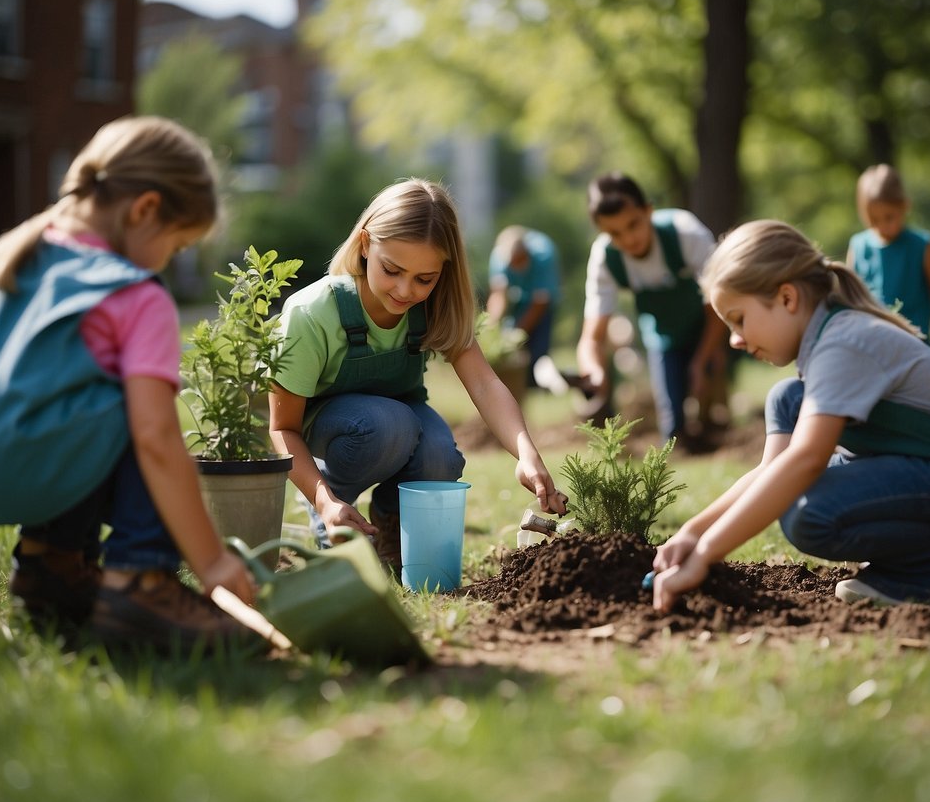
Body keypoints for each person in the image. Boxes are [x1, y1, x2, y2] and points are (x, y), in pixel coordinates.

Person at [0, 116, 261, 654]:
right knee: (138, 407)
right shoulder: (136, 295)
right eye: (176, 246)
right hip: (33, 469)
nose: (169, 260)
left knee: (73, 389)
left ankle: (52, 564)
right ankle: (142, 581)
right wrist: (210, 560)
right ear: (145, 210)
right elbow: (156, 439)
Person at [651, 220, 930, 611]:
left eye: (739, 319)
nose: (734, 340)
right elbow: (771, 471)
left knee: (805, 510)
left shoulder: (842, 343)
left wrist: (706, 556)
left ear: (787, 298)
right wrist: (693, 533)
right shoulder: (828, 340)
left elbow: (805, 461)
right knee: (787, 400)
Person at [269, 178, 567, 568]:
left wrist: (526, 454)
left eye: (424, 279)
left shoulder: (434, 307)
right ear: (364, 246)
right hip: (332, 430)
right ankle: (335, 514)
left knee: (441, 456)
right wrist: (325, 500)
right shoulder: (311, 314)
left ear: (443, 271)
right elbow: (281, 429)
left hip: (398, 419)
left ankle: (390, 526)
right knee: (391, 424)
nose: (405, 291)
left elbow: (484, 382)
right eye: (391, 270)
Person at [576, 172, 728, 448]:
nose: (628, 239)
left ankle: (716, 432)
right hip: (663, 334)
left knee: (708, 392)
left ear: (648, 211)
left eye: (633, 225)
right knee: (672, 421)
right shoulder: (604, 258)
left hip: (708, 323)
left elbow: (721, 301)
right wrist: (594, 372)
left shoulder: (685, 233)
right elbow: (592, 337)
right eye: (614, 233)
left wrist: (704, 355)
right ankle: (681, 445)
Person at [847, 164, 930, 344]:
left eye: (889, 217)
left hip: (915, 344)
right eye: (873, 220)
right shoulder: (858, 247)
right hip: (871, 345)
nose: (882, 226)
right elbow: (848, 295)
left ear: (904, 206)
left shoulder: (921, 245)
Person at [485, 225, 561, 382]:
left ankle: (537, 384)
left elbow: (540, 302)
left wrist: (517, 334)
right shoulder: (499, 258)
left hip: (542, 304)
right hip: (518, 299)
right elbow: (499, 295)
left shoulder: (543, 255)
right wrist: (492, 325)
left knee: (538, 352)